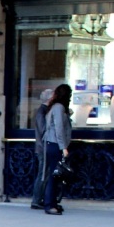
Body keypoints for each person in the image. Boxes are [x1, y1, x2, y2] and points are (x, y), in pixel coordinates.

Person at [42, 83, 73, 215]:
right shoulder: (59, 108)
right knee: (55, 175)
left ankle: (52, 202)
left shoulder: (55, 107)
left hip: (52, 143)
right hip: (55, 144)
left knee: (55, 175)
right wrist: (63, 147)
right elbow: (59, 128)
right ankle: (49, 205)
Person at [30, 88, 53, 209]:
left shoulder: (44, 111)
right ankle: (36, 199)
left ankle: (40, 198)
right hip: (42, 147)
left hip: (43, 146)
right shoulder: (42, 112)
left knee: (45, 173)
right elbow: (43, 129)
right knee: (43, 174)